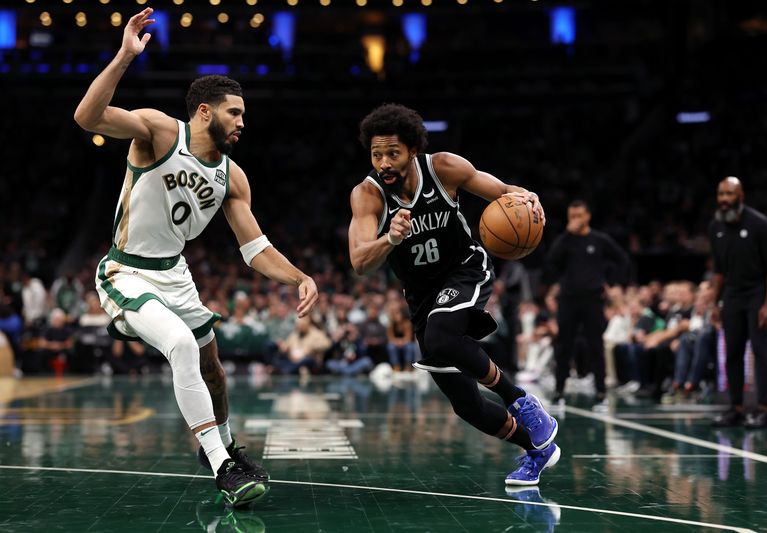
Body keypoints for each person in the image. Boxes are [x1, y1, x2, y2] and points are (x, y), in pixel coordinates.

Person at [73, 8, 319, 507]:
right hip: (127, 269)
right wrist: (124, 56)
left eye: (244, 115)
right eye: (235, 112)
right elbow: (87, 117)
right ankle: (221, 466)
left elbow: (255, 250)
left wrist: (298, 276)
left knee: (214, 370)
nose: (242, 122)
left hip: (176, 275)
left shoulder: (234, 177)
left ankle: (225, 445)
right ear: (204, 111)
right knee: (182, 346)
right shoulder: (161, 133)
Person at [348, 103, 559, 486]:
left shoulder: (443, 167)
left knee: (441, 334)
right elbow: (360, 261)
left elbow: (504, 191)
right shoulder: (368, 195)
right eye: (376, 155)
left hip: (465, 269)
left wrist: (526, 196)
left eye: (392, 153)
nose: (384, 163)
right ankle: (537, 449)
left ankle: (523, 402)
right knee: (468, 406)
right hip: (422, 296)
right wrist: (389, 238)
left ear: (413, 150)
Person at [709, 177, 767, 429]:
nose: (724, 199)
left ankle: (763, 410)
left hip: (757, 294)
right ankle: (736, 408)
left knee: (761, 352)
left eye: (729, 194)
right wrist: (714, 304)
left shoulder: (759, 223)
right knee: (732, 354)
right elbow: (719, 271)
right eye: (720, 194)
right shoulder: (716, 226)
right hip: (732, 295)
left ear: (741, 195)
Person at [544, 200, 629, 408]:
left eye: (579, 216)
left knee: (596, 346)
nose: (575, 220)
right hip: (568, 299)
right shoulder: (564, 241)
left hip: (593, 300)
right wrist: (566, 235)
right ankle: (559, 392)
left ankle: (601, 394)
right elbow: (551, 263)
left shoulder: (599, 240)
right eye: (572, 216)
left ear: (588, 216)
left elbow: (622, 259)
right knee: (563, 346)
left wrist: (614, 283)